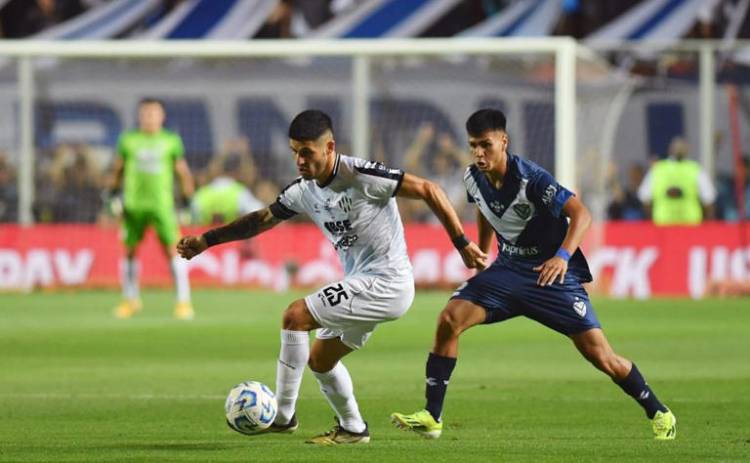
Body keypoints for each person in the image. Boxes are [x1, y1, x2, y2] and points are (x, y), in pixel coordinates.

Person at [176, 110, 486, 445]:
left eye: (306, 151)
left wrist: (462, 242)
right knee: (321, 360)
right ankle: (353, 428)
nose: (299, 159)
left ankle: (283, 416)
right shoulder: (304, 190)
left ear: (329, 147)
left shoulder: (361, 175)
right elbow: (262, 219)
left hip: (387, 281)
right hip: (363, 283)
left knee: (294, 316)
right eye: (294, 151)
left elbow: (429, 188)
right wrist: (207, 241)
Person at [391, 109, 677, 441]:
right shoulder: (473, 177)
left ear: (503, 141)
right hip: (507, 271)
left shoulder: (532, 179)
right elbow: (485, 207)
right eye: (473, 146)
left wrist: (562, 258)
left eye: (486, 145)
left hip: (549, 277)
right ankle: (432, 416)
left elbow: (581, 214)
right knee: (449, 319)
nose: (480, 154)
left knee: (601, 356)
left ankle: (659, 412)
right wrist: (483, 253)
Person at [107, 98, 195, 320]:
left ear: (162, 116)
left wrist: (187, 200)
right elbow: (118, 169)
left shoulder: (170, 141)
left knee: (174, 251)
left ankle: (183, 302)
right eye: (145, 113)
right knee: (129, 251)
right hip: (133, 206)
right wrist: (112, 194)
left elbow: (182, 172)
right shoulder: (128, 140)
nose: (149, 117)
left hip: (161, 206)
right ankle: (130, 299)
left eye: (153, 113)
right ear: (139, 116)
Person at [637, 136, 716, 225]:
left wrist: (652, 219)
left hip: (667, 224)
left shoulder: (658, 169)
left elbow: (644, 197)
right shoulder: (695, 169)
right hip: (688, 224)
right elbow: (708, 200)